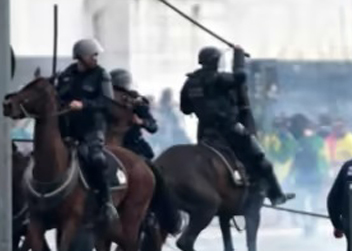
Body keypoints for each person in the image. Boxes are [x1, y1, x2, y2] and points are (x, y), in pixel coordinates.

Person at [179, 46, 287, 205]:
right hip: (229, 129)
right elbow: (240, 77)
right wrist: (239, 57)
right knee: (261, 160)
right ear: (216, 61)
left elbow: (185, 109)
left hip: (204, 132)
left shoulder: (190, 82)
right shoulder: (220, 79)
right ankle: (276, 195)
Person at [54, 38, 118, 226]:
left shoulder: (101, 75)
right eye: (93, 55)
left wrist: (84, 105)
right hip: (68, 129)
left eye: (97, 55)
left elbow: (107, 102)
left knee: (96, 159)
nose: (96, 58)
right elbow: (59, 96)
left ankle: (106, 202)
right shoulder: (67, 75)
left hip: (92, 128)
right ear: (81, 57)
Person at [110, 69, 157, 161]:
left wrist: (141, 121)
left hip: (132, 146)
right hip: (108, 145)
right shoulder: (104, 101)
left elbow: (153, 127)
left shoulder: (137, 102)